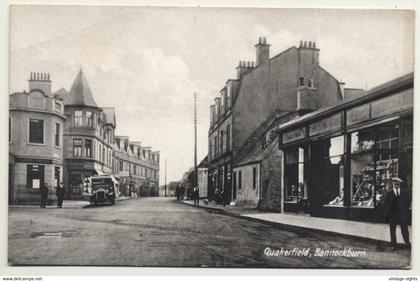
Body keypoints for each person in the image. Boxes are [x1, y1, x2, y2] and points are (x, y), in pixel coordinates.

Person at [383, 177, 411, 250]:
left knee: (404, 229)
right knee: (392, 230)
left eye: (398, 184)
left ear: (400, 184)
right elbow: (385, 204)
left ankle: (407, 242)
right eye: (395, 183)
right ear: (393, 184)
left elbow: (408, 202)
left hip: (402, 214)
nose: (396, 185)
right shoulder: (389, 193)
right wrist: (388, 214)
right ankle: (393, 245)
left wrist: (405, 210)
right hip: (392, 215)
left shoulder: (404, 193)